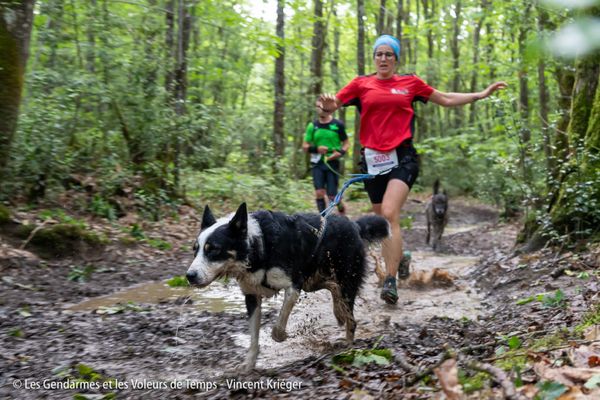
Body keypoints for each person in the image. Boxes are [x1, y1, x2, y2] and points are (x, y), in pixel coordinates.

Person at [319, 34, 507, 305]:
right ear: (374, 58)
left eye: (389, 54)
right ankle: (401, 257)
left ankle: (390, 281)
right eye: (379, 54)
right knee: (380, 224)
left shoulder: (410, 83)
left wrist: (480, 94)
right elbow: (333, 103)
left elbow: (445, 98)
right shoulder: (361, 84)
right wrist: (327, 105)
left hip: (403, 157)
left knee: (388, 214)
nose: (383, 58)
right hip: (372, 162)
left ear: (396, 59)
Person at [302, 98, 350, 214]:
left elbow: (346, 143)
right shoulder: (312, 126)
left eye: (322, 107)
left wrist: (340, 153)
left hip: (332, 162)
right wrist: (316, 149)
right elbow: (305, 146)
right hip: (317, 162)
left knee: (332, 195)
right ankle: (322, 219)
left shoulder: (338, 124)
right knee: (319, 192)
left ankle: (341, 208)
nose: (320, 110)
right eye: (318, 107)